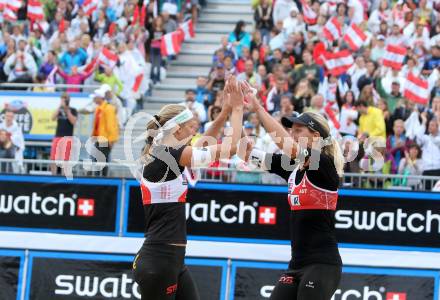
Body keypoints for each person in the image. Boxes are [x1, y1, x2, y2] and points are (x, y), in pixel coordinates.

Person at [133, 76, 244, 299]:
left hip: (171, 258)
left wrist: (225, 111)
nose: (194, 131)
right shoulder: (168, 155)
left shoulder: (166, 152)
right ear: (177, 129)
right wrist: (239, 108)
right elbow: (232, 147)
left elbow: (205, 143)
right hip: (159, 259)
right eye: (190, 127)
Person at [241, 81, 344, 300]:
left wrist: (259, 108)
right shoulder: (293, 167)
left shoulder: (323, 163)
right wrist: (235, 109)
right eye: (292, 130)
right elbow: (245, 152)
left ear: (315, 136)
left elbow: (287, 145)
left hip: (322, 263)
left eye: (298, 130)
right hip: (296, 264)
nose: (293, 134)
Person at [90, 88, 119, 176]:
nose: (94, 99)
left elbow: (111, 125)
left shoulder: (108, 108)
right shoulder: (99, 109)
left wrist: (111, 140)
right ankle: (98, 180)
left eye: (95, 97)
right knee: (98, 161)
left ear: (100, 98)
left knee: (102, 162)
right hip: (99, 139)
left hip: (105, 140)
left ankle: (102, 181)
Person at [50, 93, 78, 175]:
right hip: (57, 136)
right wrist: (59, 107)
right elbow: (52, 118)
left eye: (65, 99)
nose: (63, 100)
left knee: (65, 159)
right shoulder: (59, 109)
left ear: (68, 100)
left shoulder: (73, 110)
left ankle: (63, 176)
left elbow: (73, 121)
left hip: (68, 137)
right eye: (62, 99)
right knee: (53, 158)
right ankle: (53, 176)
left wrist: (67, 111)